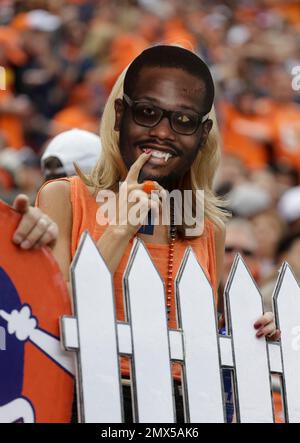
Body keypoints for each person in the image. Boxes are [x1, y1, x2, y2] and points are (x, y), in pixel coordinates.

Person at [35, 45, 279, 421]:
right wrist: (120, 228)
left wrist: (254, 329)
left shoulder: (207, 225)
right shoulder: (65, 198)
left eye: (183, 120)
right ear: (120, 115)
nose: (162, 133)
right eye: (147, 113)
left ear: (202, 134)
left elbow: (201, 330)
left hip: (183, 404)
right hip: (83, 395)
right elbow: (50, 313)